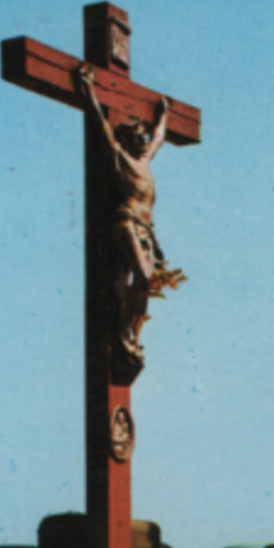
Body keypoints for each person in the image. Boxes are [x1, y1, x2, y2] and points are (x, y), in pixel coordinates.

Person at [74, 63, 184, 382]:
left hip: (146, 231)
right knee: (144, 276)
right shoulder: (120, 157)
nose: (143, 138)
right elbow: (101, 128)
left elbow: (160, 138)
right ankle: (124, 334)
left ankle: (130, 332)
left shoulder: (144, 162)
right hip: (125, 223)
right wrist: (89, 92)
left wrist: (163, 115)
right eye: (137, 135)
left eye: (142, 135)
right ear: (127, 139)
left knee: (146, 282)